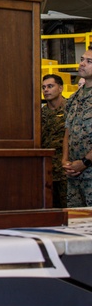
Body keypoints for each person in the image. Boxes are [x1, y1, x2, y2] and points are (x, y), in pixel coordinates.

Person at [64, 50, 92, 207]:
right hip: (74, 175)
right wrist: (65, 160)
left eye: (89, 61)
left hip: (88, 170)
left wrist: (85, 162)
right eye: (82, 59)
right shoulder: (74, 98)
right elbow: (67, 132)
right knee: (75, 222)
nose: (82, 63)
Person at [41, 74, 68, 208]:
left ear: (61, 88)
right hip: (47, 171)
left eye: (50, 86)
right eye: (44, 87)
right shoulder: (39, 114)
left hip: (66, 171)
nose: (46, 90)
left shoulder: (71, 109)